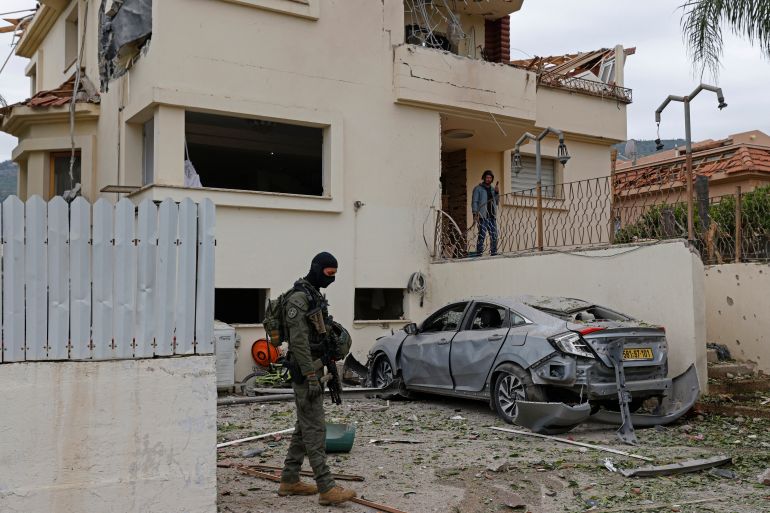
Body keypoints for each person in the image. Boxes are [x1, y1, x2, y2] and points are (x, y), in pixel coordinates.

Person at [278, 252, 357, 506]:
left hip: (313, 368)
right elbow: (299, 342)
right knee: (315, 429)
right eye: (328, 274)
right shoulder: (300, 299)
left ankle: (289, 480)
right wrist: (312, 376)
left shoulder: (313, 294)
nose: (332, 279)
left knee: (304, 427)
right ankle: (326, 488)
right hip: (305, 371)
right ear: (317, 269)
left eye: (335, 275)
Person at [472, 170, 500, 256]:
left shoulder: (492, 189)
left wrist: (496, 192)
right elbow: (475, 201)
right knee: (482, 235)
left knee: (494, 235)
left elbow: (497, 202)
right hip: (482, 216)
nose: (488, 179)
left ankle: (494, 252)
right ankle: (479, 253)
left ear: (492, 179)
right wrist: (475, 213)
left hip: (492, 216)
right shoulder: (478, 188)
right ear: (484, 178)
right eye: (487, 177)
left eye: (490, 178)